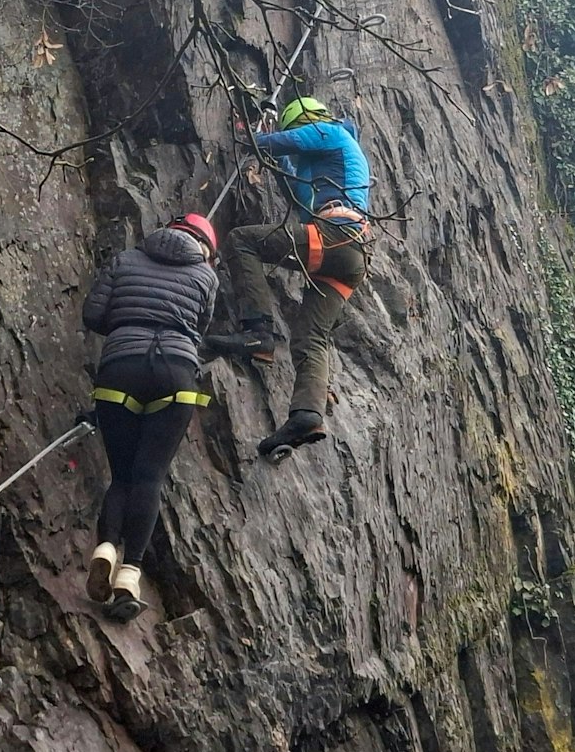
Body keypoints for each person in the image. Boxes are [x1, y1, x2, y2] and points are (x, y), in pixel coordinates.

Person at [206, 96, 373, 458]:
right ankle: (307, 415)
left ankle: (258, 331)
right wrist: (267, 145)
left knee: (241, 241)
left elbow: (291, 142)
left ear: (309, 120)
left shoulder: (334, 134)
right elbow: (297, 191)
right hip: (352, 255)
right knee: (311, 336)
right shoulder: (326, 166)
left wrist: (249, 135)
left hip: (336, 234)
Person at [80, 213, 219, 620]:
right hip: (175, 375)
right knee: (149, 477)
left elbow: (92, 315)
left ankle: (105, 546)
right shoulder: (206, 276)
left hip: (120, 368)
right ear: (204, 247)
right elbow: (199, 327)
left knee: (122, 475)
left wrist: (127, 322)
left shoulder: (125, 259)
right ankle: (129, 574)